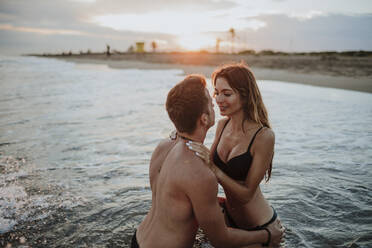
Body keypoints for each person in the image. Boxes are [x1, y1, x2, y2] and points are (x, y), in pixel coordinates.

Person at [131, 75, 284, 248]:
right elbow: (221, 240)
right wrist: (267, 234)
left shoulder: (163, 147)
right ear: (204, 119)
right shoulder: (200, 173)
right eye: (212, 103)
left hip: (138, 240)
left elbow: (175, 198)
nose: (216, 102)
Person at [187, 63, 281, 240]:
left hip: (261, 228)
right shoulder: (222, 126)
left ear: (245, 96)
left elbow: (246, 195)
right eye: (216, 92)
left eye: (227, 94)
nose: (219, 99)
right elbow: (207, 167)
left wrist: (214, 169)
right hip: (227, 219)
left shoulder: (264, 136)